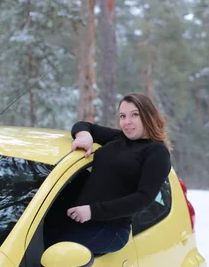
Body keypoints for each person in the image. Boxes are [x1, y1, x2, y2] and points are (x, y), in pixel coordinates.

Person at [47, 93, 172, 255]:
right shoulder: (118, 138)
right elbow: (84, 125)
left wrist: (93, 211)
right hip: (79, 219)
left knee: (52, 250)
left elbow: (143, 198)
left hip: (111, 230)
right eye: (122, 116)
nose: (126, 122)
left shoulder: (157, 152)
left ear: (149, 116)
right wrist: (84, 137)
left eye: (134, 115)